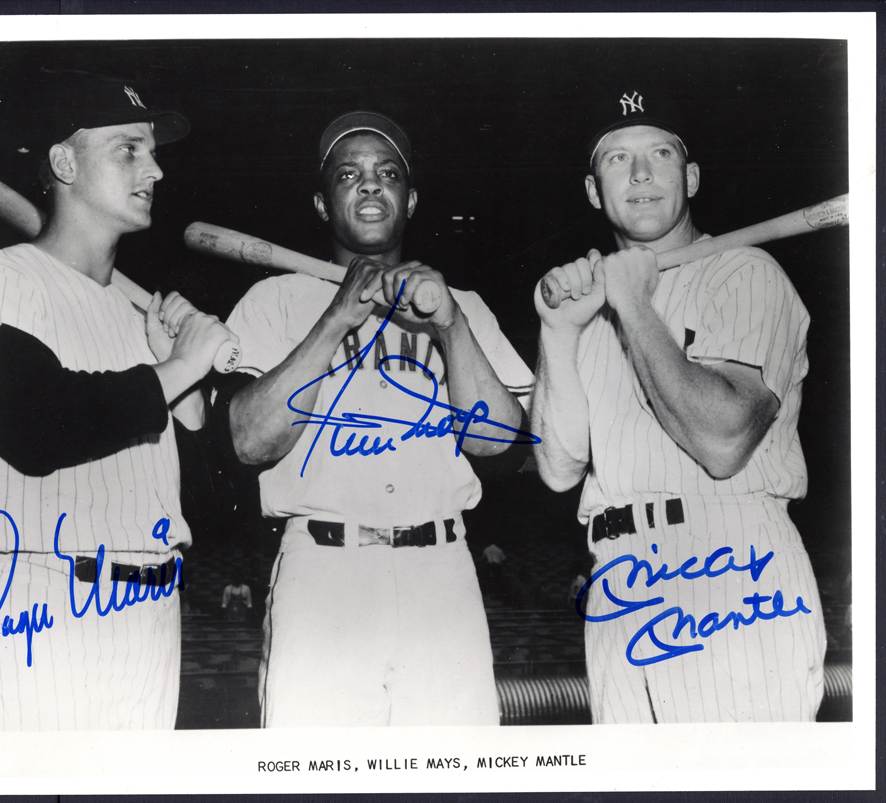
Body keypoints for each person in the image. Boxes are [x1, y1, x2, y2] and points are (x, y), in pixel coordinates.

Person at [0, 70, 234, 730]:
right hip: (34, 606)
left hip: (152, 614)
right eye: (129, 148)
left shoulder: (137, 320)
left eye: (153, 151)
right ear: (63, 162)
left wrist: (184, 391)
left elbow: (214, 503)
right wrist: (180, 366)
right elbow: (37, 428)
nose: (154, 167)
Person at [225, 111, 535, 726]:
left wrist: (450, 327)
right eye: (349, 174)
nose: (370, 185)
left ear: (410, 199)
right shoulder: (274, 300)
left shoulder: (461, 305)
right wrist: (337, 316)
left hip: (440, 571)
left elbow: (502, 444)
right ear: (322, 203)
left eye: (387, 173)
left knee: (457, 780)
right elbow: (248, 442)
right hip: (324, 571)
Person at [530, 89, 826, 723]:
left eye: (659, 153)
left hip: (730, 562)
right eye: (618, 159)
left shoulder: (744, 273)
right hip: (614, 570)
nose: (640, 174)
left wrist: (634, 304)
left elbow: (723, 444)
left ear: (688, 178)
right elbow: (557, 471)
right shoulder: (590, 306)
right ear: (593, 189)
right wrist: (558, 331)